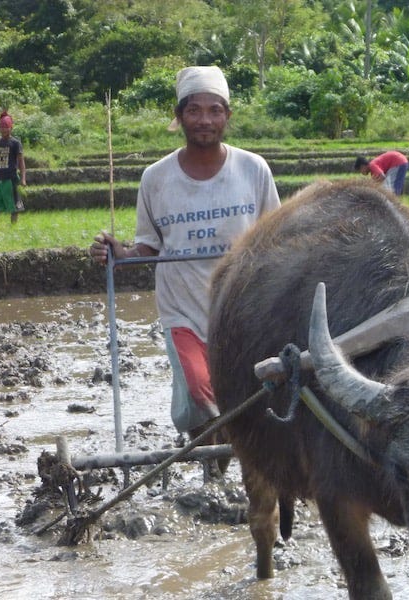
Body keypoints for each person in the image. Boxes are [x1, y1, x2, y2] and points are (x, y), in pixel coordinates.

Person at [88, 66, 281, 476]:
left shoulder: (253, 170)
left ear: (228, 115)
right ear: (179, 116)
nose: (205, 120)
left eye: (214, 110)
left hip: (241, 309)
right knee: (199, 392)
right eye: (195, 111)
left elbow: (274, 240)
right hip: (183, 308)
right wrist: (116, 252)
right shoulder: (156, 179)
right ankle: (217, 463)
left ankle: (220, 468)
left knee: (241, 398)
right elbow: (147, 247)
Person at [0, 110, 27, 226]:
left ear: (11, 127)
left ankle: (13, 228)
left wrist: (23, 178)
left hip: (11, 179)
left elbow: (21, 163)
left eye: (6, 127)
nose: (3, 129)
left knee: (14, 207)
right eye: (1, 127)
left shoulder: (15, 143)